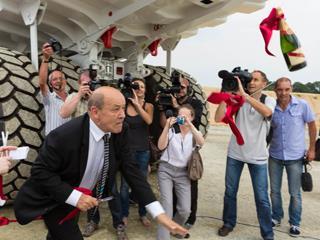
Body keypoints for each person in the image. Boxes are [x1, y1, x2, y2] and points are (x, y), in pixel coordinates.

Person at [14, 87, 188, 240]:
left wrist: (159, 214)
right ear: (95, 112)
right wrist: (76, 197)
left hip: (79, 201)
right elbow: (40, 172)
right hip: (55, 200)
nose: (122, 115)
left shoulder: (120, 130)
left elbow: (132, 171)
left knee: (56, 236)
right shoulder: (64, 136)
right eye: (116, 109)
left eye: (123, 108)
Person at [214, 70, 275, 240]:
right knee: (230, 192)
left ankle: (267, 233)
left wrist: (245, 96)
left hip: (258, 157)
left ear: (264, 83)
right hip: (235, 154)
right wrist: (226, 96)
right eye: (250, 80)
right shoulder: (238, 100)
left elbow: (268, 113)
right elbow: (218, 118)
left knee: (262, 198)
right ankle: (228, 223)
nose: (252, 83)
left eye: (256, 80)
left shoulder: (268, 100)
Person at [268, 77, 316, 237]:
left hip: (295, 157)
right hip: (274, 155)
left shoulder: (302, 105)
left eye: (287, 89)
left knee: (295, 193)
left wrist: (312, 149)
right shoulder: (271, 106)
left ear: (291, 89)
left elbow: (312, 126)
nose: (283, 93)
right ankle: (276, 217)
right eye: (280, 89)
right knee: (274, 191)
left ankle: (295, 223)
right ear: (275, 90)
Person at [159, 75, 203, 229]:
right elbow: (162, 124)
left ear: (188, 87)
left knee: (191, 191)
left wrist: (177, 106)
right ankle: (170, 222)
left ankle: (190, 219)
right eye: (177, 87)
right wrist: (164, 106)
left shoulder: (195, 103)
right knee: (169, 197)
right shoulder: (169, 99)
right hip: (171, 151)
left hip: (188, 156)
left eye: (182, 87)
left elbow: (195, 123)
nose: (179, 90)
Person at [120, 78, 154, 227]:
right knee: (124, 186)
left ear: (145, 90)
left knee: (141, 184)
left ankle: (142, 214)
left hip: (142, 151)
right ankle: (123, 214)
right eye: (136, 86)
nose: (139, 89)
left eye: (141, 87)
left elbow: (148, 121)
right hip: (127, 151)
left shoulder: (148, 106)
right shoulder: (124, 105)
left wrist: (137, 104)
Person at [39, 42, 70, 135]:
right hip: (53, 142)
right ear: (50, 84)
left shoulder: (72, 98)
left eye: (61, 78)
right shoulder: (49, 98)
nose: (58, 81)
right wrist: (45, 59)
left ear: (65, 81)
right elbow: (42, 83)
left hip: (70, 142)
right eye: (54, 79)